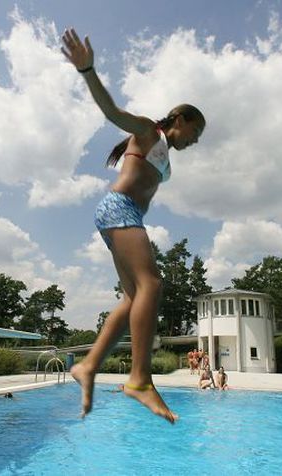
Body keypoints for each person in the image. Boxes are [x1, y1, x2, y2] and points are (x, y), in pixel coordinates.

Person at [62, 28, 205, 424]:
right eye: (197, 130)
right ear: (180, 119)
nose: (197, 139)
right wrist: (88, 69)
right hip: (118, 208)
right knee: (152, 285)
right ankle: (140, 379)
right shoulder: (148, 131)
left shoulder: (165, 155)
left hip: (124, 215)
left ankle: (88, 366)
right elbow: (111, 112)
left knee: (132, 299)